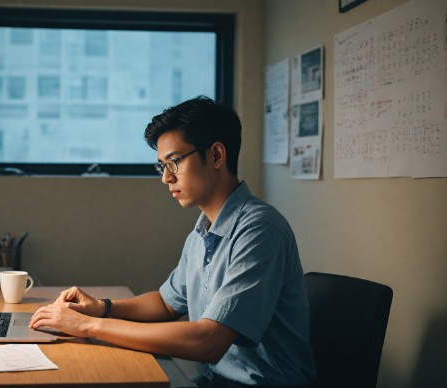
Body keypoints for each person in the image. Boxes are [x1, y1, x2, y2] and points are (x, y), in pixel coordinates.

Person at [30, 96, 316, 387]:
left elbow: (209, 341)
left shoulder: (260, 230)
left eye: (174, 162)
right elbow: (165, 304)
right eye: (161, 166)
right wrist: (102, 308)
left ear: (217, 155)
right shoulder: (204, 230)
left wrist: (89, 325)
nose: (166, 178)